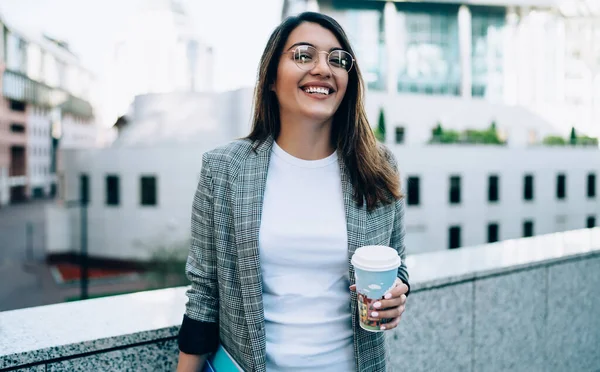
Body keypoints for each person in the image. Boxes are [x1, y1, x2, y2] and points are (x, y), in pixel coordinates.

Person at [176, 11, 410, 372]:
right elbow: (204, 295)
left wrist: (398, 293)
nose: (323, 69)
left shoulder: (378, 169)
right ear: (271, 78)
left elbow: (398, 268)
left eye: (338, 60)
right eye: (303, 55)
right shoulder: (224, 170)